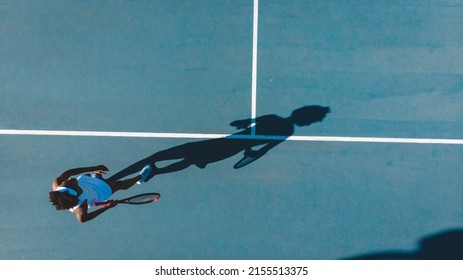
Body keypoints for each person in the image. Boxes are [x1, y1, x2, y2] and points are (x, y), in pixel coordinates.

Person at [49, 164, 152, 223]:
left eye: (65, 182)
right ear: (75, 192)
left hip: (84, 183)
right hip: (99, 192)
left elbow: (69, 173)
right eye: (71, 183)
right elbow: (83, 219)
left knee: (88, 174)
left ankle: (95, 176)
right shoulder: (81, 206)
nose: (70, 179)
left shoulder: (57, 183)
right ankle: (140, 178)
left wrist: (93, 168)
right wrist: (106, 207)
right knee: (119, 185)